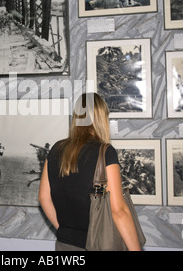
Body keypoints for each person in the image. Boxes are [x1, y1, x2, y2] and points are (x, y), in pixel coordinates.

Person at [38, 92, 142, 251]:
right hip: (99, 244)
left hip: (64, 245)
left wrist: (65, 230)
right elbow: (119, 210)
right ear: (102, 118)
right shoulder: (106, 152)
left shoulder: (55, 150)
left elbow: (44, 197)